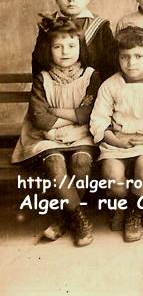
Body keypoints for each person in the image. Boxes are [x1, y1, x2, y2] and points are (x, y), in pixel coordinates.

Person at [13, 17, 101, 246]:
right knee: (55, 163)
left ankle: (63, 220)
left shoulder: (90, 75)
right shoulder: (43, 78)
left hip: (81, 133)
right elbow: (40, 119)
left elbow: (88, 113)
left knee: (82, 161)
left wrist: (58, 116)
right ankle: (78, 219)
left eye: (72, 46)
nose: (65, 52)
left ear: (81, 48)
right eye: (57, 46)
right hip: (45, 137)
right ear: (48, 49)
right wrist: (69, 117)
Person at [89, 26, 143, 241]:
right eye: (125, 57)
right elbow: (98, 119)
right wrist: (114, 139)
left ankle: (134, 212)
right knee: (114, 178)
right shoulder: (110, 85)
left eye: (138, 56)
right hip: (116, 141)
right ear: (117, 58)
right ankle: (124, 206)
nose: (131, 62)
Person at [32, 0, 117, 79]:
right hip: (56, 87)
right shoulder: (48, 25)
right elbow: (39, 62)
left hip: (95, 89)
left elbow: (111, 63)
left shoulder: (100, 26)